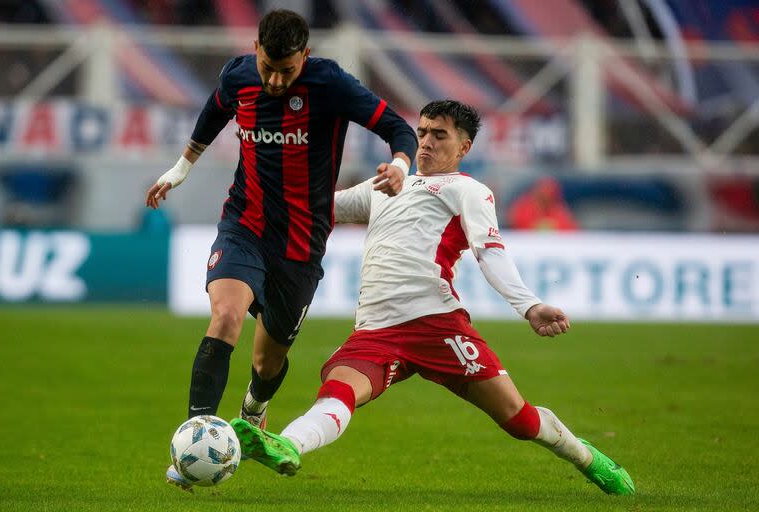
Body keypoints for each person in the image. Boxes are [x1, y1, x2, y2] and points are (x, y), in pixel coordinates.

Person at [229, 100, 635, 496]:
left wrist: (528, 305)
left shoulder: (467, 190)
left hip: (436, 323)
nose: (425, 142)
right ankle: (286, 445)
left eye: (439, 135)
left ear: (464, 147)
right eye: (421, 132)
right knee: (339, 390)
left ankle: (587, 458)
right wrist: (260, 197)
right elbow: (320, 208)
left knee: (519, 420)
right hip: (376, 329)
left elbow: (489, 251)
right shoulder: (386, 185)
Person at [147, 10, 417, 490]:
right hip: (244, 225)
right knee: (226, 317)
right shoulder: (238, 76)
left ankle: (252, 410)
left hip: (301, 243)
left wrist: (399, 163)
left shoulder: (330, 83)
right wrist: (180, 168)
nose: (274, 79)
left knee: (267, 363)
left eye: (286, 70)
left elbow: (398, 126)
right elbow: (213, 113)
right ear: (256, 49)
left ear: (305, 58)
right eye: (268, 65)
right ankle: (193, 441)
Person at [508, 177, 579, 231]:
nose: (545, 198)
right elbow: (516, 224)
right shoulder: (524, 206)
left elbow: (570, 228)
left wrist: (552, 226)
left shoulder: (558, 209)